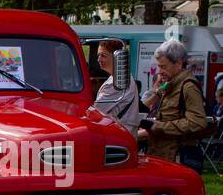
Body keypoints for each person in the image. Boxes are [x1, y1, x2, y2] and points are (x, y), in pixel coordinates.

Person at [137, 39, 209, 170]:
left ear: (179, 63)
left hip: (177, 159)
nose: (159, 71)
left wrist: (158, 126)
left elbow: (198, 122)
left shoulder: (188, 87)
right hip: (163, 155)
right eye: (159, 66)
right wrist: (157, 93)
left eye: (163, 66)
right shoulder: (170, 85)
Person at [89, 39, 137, 134]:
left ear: (117, 58)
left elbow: (95, 112)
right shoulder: (121, 77)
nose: (99, 59)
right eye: (98, 55)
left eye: (103, 55)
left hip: (119, 136)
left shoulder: (117, 82)